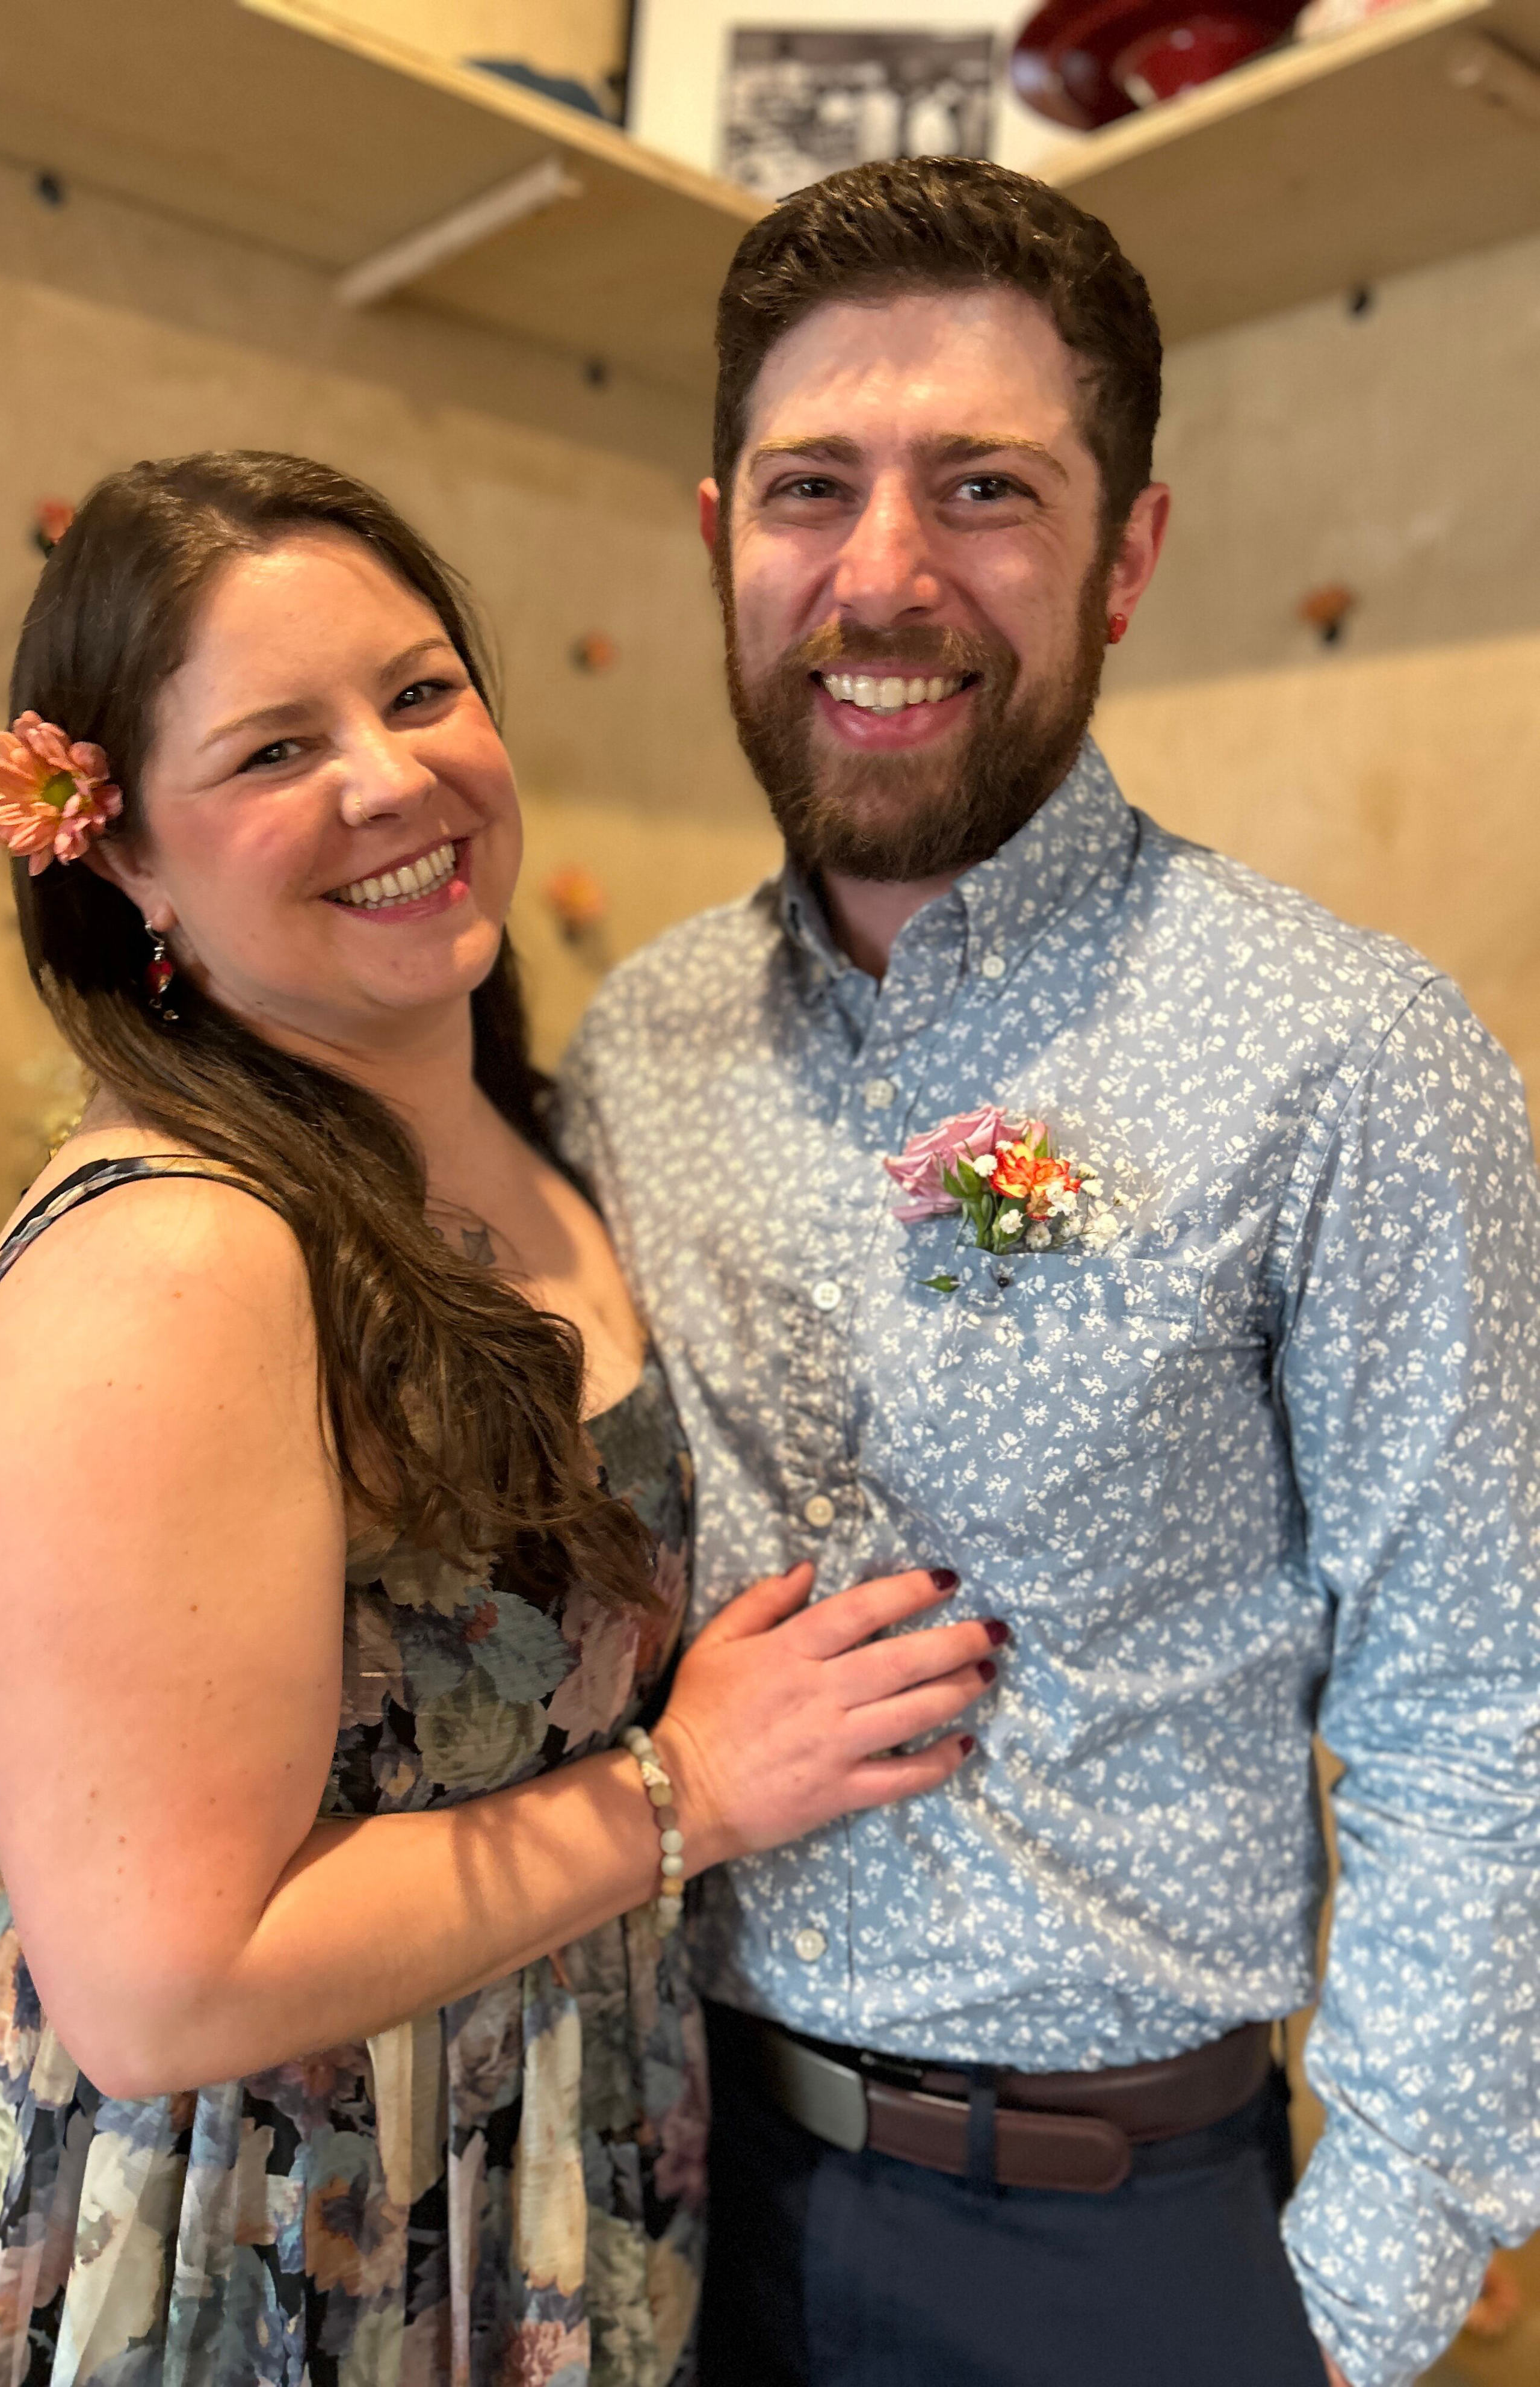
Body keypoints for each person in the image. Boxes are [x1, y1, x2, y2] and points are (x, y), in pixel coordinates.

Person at [556, 159, 1540, 2387]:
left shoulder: (1348, 1061)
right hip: (684, 2192)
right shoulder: (645, 1047)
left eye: (985, 487)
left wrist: (1352, 2305)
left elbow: (1481, 1702)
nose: (882, 575)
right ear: (722, 535)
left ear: (1131, 552)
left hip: (1130, 2249)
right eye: (813, 487)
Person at [0, 450, 1006, 2386]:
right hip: (279, 2237)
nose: (392, 778)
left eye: (419, 692)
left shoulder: (524, 1130)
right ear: (125, 855)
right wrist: (690, 1790)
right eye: (273, 749)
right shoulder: (175, 1255)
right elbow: (160, 1988)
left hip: (556, 2149)